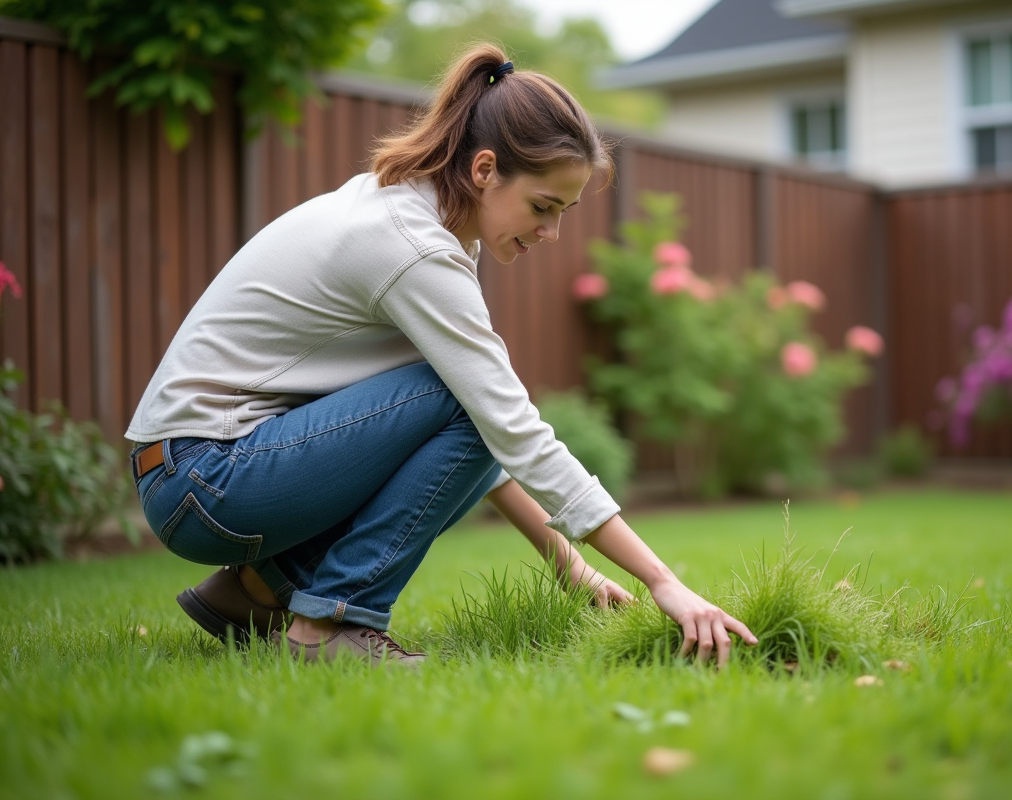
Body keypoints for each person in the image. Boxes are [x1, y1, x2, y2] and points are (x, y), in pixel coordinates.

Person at [126, 44, 756, 669]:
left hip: (199, 473)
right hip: (207, 478)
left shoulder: (422, 216)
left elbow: (480, 439)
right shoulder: (413, 247)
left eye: (562, 214)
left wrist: (576, 570)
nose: (551, 232)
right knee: (473, 401)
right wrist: (662, 582)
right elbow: (504, 425)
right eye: (542, 207)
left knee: (469, 403)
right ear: (485, 170)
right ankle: (333, 624)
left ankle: (257, 594)